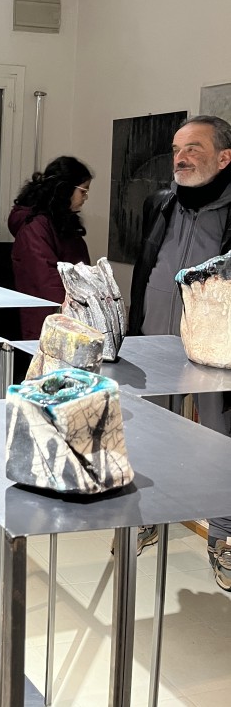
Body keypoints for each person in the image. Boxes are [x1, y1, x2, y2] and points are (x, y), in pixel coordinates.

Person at [129, 114, 231, 582]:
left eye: (193, 148)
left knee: (220, 443)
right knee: (148, 434)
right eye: (176, 150)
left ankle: (223, 536)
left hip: (217, 353)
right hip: (155, 342)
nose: (181, 158)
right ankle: (145, 516)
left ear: (224, 158)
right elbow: (146, 269)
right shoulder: (160, 202)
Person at [8, 156, 92, 340]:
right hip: (51, 323)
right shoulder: (35, 228)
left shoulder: (61, 221)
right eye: (83, 191)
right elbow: (45, 281)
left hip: (69, 318)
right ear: (65, 189)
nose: (85, 198)